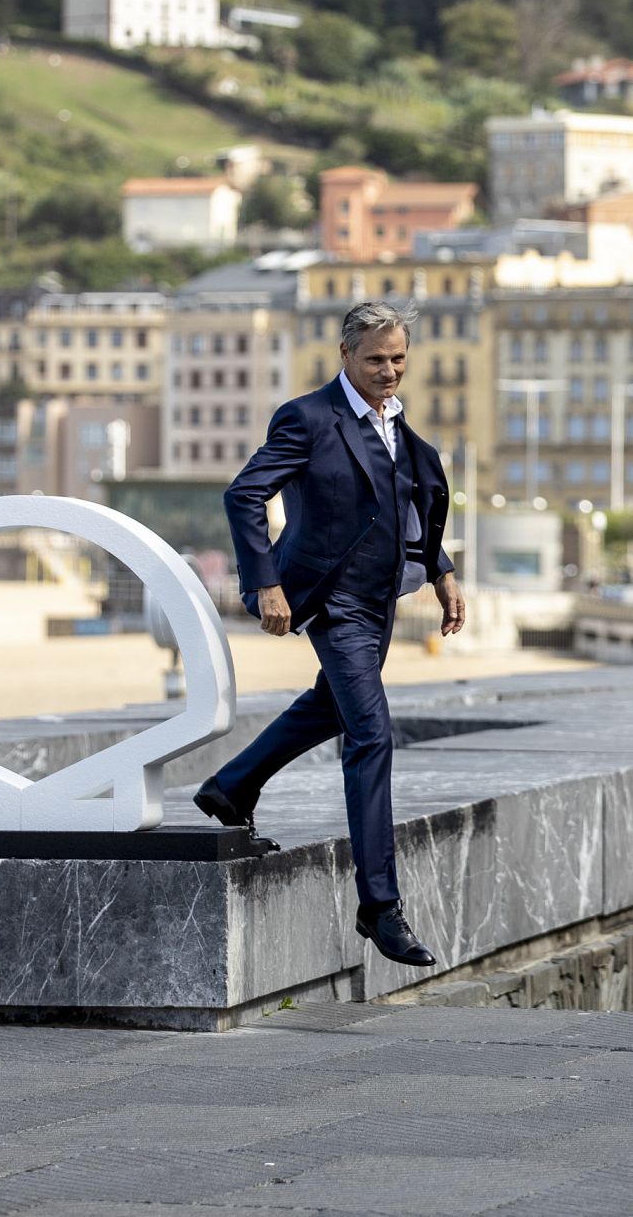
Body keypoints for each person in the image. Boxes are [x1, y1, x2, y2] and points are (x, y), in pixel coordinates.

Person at [193, 300, 465, 966]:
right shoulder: (308, 418)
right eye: (376, 359)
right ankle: (380, 906)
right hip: (331, 602)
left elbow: (411, 501)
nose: (390, 370)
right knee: (370, 733)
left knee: (329, 705)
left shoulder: (400, 427)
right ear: (345, 356)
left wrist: (442, 572)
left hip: (379, 603)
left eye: (399, 358)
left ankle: (230, 787)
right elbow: (244, 495)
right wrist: (265, 583)